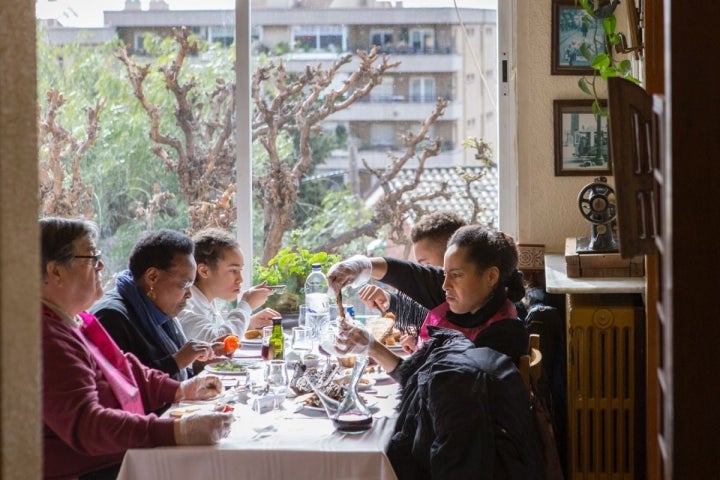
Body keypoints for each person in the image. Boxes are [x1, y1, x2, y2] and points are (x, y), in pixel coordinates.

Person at [41, 217, 232, 480]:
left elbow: (124, 368)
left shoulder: (76, 319)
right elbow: (87, 426)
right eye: (91, 257)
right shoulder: (43, 336)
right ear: (55, 271)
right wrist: (176, 431)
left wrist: (179, 389)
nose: (101, 265)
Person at [328, 225, 529, 366]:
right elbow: (410, 274)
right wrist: (362, 265)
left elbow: (427, 387)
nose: (445, 285)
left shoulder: (504, 334)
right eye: (444, 273)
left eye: (457, 275)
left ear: (491, 276)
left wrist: (372, 347)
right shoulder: (466, 297)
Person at [91, 229, 218, 381]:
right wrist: (177, 361)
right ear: (153, 277)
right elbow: (122, 385)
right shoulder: (110, 317)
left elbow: (177, 373)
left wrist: (202, 362)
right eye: (185, 285)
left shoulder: (158, 310)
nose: (189, 294)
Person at [357, 210, 466, 353]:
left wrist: (362, 265)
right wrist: (389, 300)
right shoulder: (444, 300)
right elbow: (423, 310)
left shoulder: (466, 305)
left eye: (426, 265)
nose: (422, 272)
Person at [178, 228, 279, 342]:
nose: (240, 279)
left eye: (240, 270)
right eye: (233, 270)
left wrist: (248, 322)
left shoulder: (208, 302)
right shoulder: (182, 305)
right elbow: (219, 344)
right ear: (204, 271)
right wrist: (246, 306)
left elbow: (217, 330)